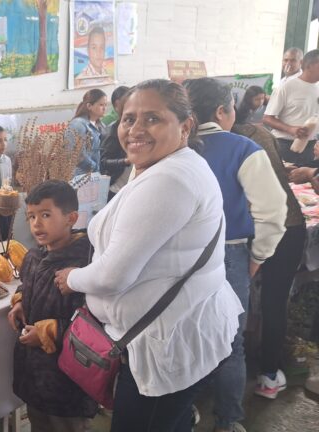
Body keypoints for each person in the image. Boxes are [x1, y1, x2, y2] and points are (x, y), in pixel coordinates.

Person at [54, 79, 243, 432]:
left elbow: (113, 276)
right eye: (128, 119)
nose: (136, 130)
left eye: (152, 118)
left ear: (185, 126)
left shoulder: (168, 179)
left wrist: (71, 278)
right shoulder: (168, 165)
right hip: (179, 331)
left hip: (164, 347)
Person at [185, 77, 287, 432]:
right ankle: (227, 422)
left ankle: (183, 410)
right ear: (221, 110)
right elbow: (273, 211)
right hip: (229, 254)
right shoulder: (242, 148)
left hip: (179, 257)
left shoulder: (175, 145)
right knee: (229, 342)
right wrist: (258, 255)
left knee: (185, 335)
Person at [7, 180, 97, 432]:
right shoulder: (34, 256)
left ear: (71, 217)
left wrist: (50, 331)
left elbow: (96, 321)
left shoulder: (86, 264)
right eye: (31, 216)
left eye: (46, 215)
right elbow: (26, 284)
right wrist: (19, 303)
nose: (36, 223)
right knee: (40, 423)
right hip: (36, 374)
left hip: (68, 379)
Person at [230, 122, 306, 400]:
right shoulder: (259, 133)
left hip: (246, 229)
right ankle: (269, 376)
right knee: (274, 302)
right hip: (288, 225)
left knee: (234, 303)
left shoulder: (214, 141)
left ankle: (229, 377)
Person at [263, 49, 319, 165]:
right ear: (309, 65)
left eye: (293, 60)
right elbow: (267, 118)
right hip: (285, 145)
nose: (289, 63)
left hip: (311, 147)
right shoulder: (286, 87)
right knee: (285, 181)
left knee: (307, 181)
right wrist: (291, 129)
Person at [64, 89, 108, 177]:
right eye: (101, 105)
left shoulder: (101, 125)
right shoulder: (78, 124)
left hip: (96, 175)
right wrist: (95, 167)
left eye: (106, 105)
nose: (104, 108)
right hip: (81, 177)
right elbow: (76, 154)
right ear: (89, 106)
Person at [100, 86, 132, 199]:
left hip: (132, 188)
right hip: (116, 189)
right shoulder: (114, 130)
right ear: (118, 105)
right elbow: (103, 161)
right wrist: (125, 161)